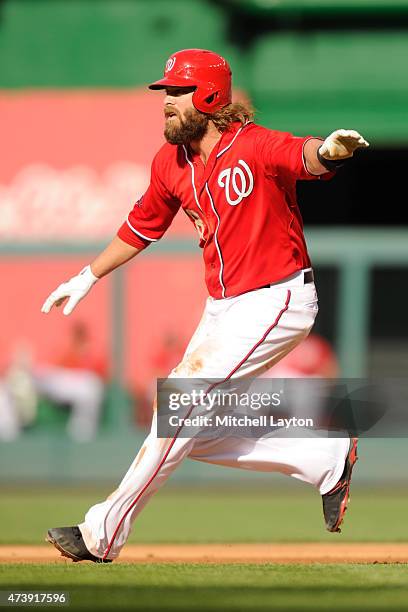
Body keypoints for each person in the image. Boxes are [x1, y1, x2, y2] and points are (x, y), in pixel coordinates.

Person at [41, 49, 367, 563]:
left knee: (178, 409)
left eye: (177, 91)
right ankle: (323, 459)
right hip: (223, 308)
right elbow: (142, 225)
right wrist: (88, 274)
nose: (167, 102)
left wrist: (329, 151)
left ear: (210, 95)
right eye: (166, 92)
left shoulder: (253, 145)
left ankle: (101, 534)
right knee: (188, 427)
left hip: (277, 298)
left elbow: (302, 156)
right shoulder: (169, 161)